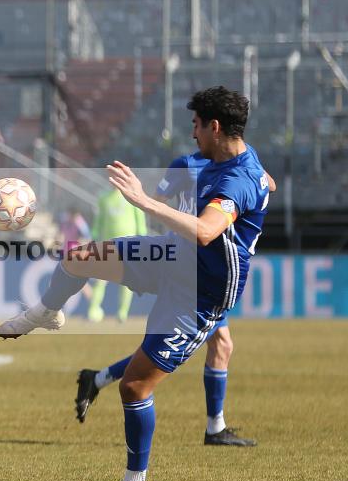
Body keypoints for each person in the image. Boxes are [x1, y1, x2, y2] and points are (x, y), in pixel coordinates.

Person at [0, 86, 269, 481]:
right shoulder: (217, 163)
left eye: (197, 125)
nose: (192, 133)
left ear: (215, 127)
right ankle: (46, 312)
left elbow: (205, 230)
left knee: (135, 385)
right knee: (80, 257)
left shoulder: (237, 178)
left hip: (199, 294)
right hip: (171, 257)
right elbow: (263, 182)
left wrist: (141, 199)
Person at [75, 153, 277, 447]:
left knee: (217, 345)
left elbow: (268, 184)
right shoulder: (186, 165)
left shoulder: (239, 163)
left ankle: (98, 380)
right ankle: (212, 428)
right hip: (190, 267)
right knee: (168, 351)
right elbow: (156, 199)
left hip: (211, 270)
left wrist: (252, 178)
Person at [86, 188, 147, 323]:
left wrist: (143, 239)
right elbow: (99, 220)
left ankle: (122, 313)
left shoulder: (132, 195)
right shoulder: (104, 197)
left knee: (127, 281)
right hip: (108, 244)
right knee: (100, 279)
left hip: (130, 245)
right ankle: (93, 311)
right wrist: (94, 236)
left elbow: (140, 220)